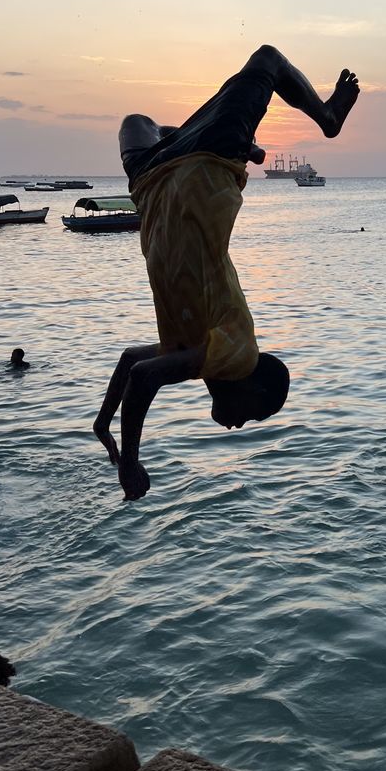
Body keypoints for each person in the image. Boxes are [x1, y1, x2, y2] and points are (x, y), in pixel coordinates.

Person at [94, 45, 360, 501]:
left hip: (155, 179)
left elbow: (130, 362)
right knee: (268, 60)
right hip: (210, 162)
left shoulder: (195, 353)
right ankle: (328, 118)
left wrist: (104, 423)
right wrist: (131, 462)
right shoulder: (237, 357)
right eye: (253, 414)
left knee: (136, 123)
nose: (239, 424)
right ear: (251, 385)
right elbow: (143, 378)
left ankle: (192, 136)